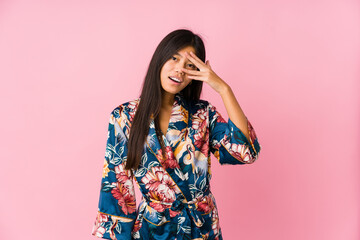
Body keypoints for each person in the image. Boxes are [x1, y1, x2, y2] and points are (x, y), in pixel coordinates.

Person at [91, 29, 261, 240]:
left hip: (201, 228)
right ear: (160, 59)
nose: (180, 70)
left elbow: (245, 153)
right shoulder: (124, 117)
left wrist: (224, 89)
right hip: (153, 230)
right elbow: (117, 185)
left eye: (190, 66)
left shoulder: (203, 114)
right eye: (174, 58)